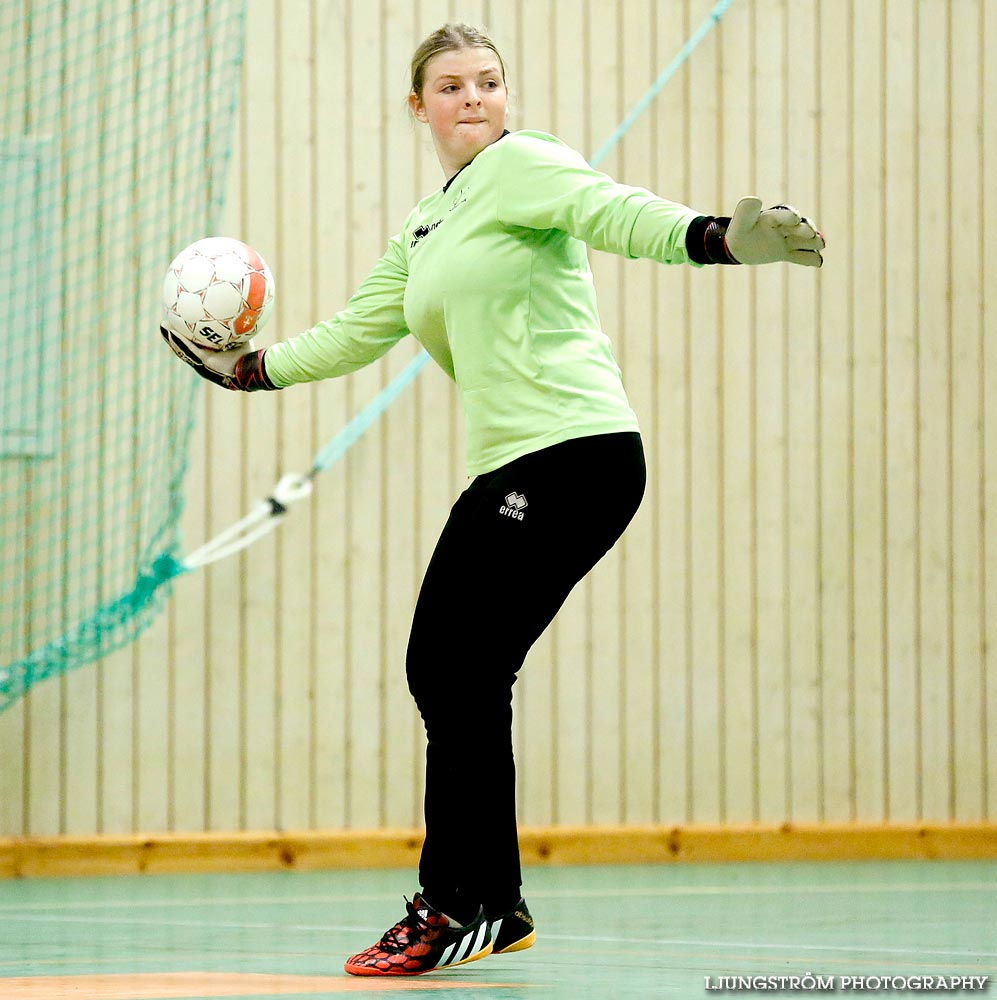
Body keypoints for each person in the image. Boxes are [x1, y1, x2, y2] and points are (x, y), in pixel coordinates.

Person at [162, 22, 825, 978]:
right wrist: (250, 374)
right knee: (450, 671)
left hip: (576, 454)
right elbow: (357, 329)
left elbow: (613, 211)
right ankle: (492, 904)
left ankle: (455, 903)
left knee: (453, 668)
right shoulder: (427, 227)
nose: (471, 98)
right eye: (449, 86)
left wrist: (717, 238)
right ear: (418, 106)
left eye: (487, 82)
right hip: (515, 466)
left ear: (504, 98)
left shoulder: (525, 166)